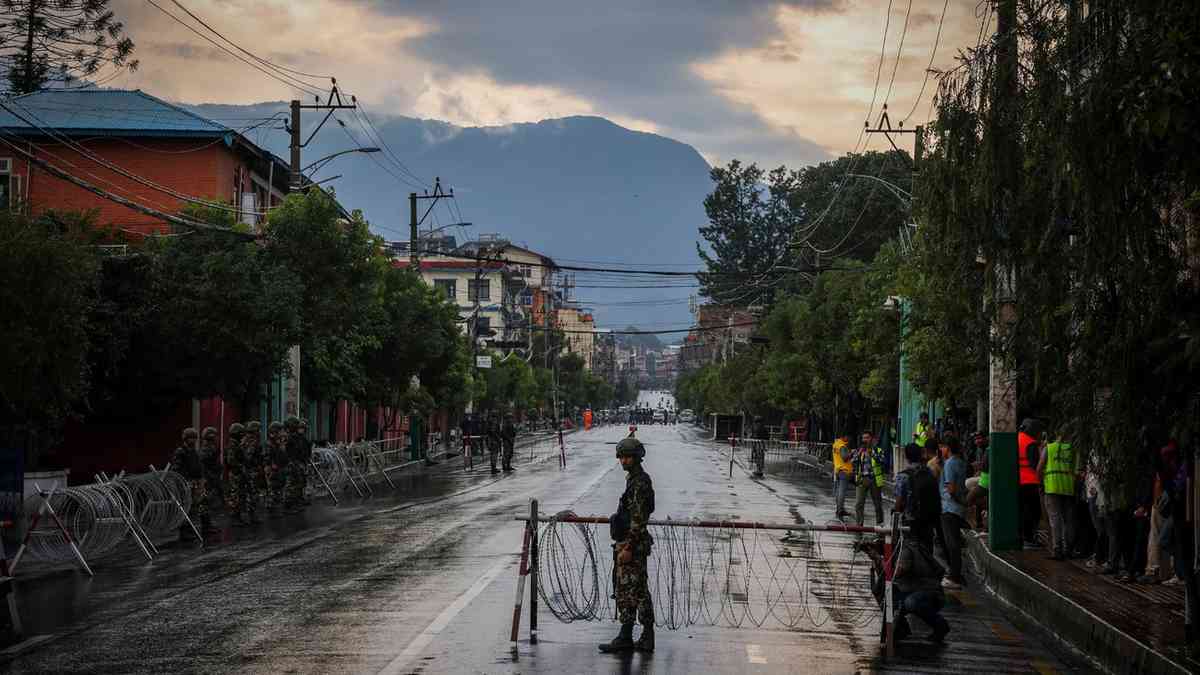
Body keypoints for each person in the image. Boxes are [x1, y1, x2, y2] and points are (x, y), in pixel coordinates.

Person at [599, 432, 656, 654]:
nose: (623, 461)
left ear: (637, 458)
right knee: (634, 591)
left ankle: (630, 636)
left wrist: (629, 548)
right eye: (621, 457)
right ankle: (636, 636)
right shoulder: (635, 480)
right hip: (631, 543)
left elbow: (639, 519)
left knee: (633, 591)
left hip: (633, 545)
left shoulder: (640, 483)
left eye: (628, 457)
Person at [1038, 431, 1079, 560]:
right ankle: (1069, 549)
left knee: (1055, 519)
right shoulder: (1073, 449)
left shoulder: (1049, 448)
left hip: (1051, 487)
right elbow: (1076, 470)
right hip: (1068, 487)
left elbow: (1039, 468)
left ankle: (1057, 549)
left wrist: (1041, 483)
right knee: (1069, 520)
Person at [894, 442, 940, 550]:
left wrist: (896, 515)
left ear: (906, 456)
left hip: (910, 519)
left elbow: (899, 499)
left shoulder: (903, 476)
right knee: (927, 550)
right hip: (927, 518)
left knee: (909, 549)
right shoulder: (929, 471)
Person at [939, 435, 968, 589]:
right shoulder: (961, 462)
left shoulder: (949, 463)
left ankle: (954, 576)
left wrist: (957, 500)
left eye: (943, 447)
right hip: (957, 509)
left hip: (949, 507)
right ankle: (956, 573)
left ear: (948, 448)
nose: (941, 450)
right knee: (954, 542)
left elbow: (950, 488)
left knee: (952, 544)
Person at [171, 427, 208, 540]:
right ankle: (184, 531)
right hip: (186, 483)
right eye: (191, 438)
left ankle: (191, 529)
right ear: (185, 438)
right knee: (186, 507)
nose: (193, 440)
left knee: (195, 507)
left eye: (194, 438)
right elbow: (177, 469)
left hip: (196, 483)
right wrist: (186, 481)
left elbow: (198, 466)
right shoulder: (181, 452)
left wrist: (201, 479)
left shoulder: (193, 451)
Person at [1017, 419, 1043, 549]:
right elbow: (1035, 465)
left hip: (1018, 481)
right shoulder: (1031, 443)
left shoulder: (1017, 439)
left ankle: (1023, 538)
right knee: (1034, 512)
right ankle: (1028, 539)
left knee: (1023, 511)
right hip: (1030, 481)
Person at [853, 431, 886, 527]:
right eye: (863, 438)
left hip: (874, 480)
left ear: (872, 439)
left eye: (867, 438)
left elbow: (882, 461)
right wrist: (858, 454)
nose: (865, 440)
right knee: (859, 504)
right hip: (862, 479)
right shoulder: (860, 450)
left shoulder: (878, 450)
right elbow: (854, 462)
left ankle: (880, 525)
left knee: (877, 505)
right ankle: (859, 525)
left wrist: (872, 453)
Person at [198, 427, 223, 532]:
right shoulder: (205, 449)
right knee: (205, 502)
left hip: (211, 478)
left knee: (208, 502)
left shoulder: (210, 448)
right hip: (207, 479)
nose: (216, 438)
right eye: (214, 436)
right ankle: (205, 525)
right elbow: (204, 465)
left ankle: (208, 524)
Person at [225, 423, 249, 526]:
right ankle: (234, 517)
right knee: (235, 495)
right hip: (235, 473)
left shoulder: (237, 444)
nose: (243, 435)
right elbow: (231, 460)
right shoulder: (232, 445)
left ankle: (238, 516)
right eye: (241, 433)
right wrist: (240, 466)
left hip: (239, 473)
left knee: (240, 494)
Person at [965, 432, 990, 531]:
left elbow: (985, 466)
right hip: (983, 479)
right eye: (976, 439)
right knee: (969, 485)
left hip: (986, 481)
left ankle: (987, 507)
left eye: (980, 438)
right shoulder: (979, 450)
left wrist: (979, 467)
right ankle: (980, 520)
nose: (977, 441)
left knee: (969, 497)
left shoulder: (988, 449)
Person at [265, 421, 288, 512]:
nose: (281, 433)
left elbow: (284, 457)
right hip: (273, 469)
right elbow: (267, 458)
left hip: (280, 468)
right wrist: (270, 467)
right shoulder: (269, 444)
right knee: (272, 488)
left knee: (279, 487)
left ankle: (276, 506)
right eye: (279, 431)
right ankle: (271, 507)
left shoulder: (279, 443)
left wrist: (282, 446)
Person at [832, 435, 853, 519]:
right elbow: (845, 457)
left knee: (838, 491)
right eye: (847, 437)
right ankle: (840, 510)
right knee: (842, 492)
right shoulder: (842, 446)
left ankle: (839, 509)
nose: (849, 439)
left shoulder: (836, 444)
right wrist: (852, 453)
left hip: (838, 469)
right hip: (844, 471)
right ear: (844, 437)